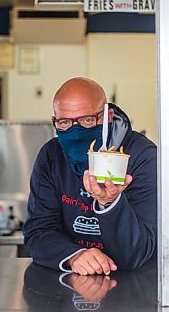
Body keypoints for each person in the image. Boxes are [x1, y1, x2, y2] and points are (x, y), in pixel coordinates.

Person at [23, 77, 157, 276]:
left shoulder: (142, 157)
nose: (76, 134)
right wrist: (74, 255)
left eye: (87, 120)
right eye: (65, 122)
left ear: (108, 116)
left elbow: (139, 251)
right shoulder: (52, 156)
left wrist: (110, 203)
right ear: (54, 121)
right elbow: (37, 232)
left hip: (133, 287)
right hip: (73, 281)